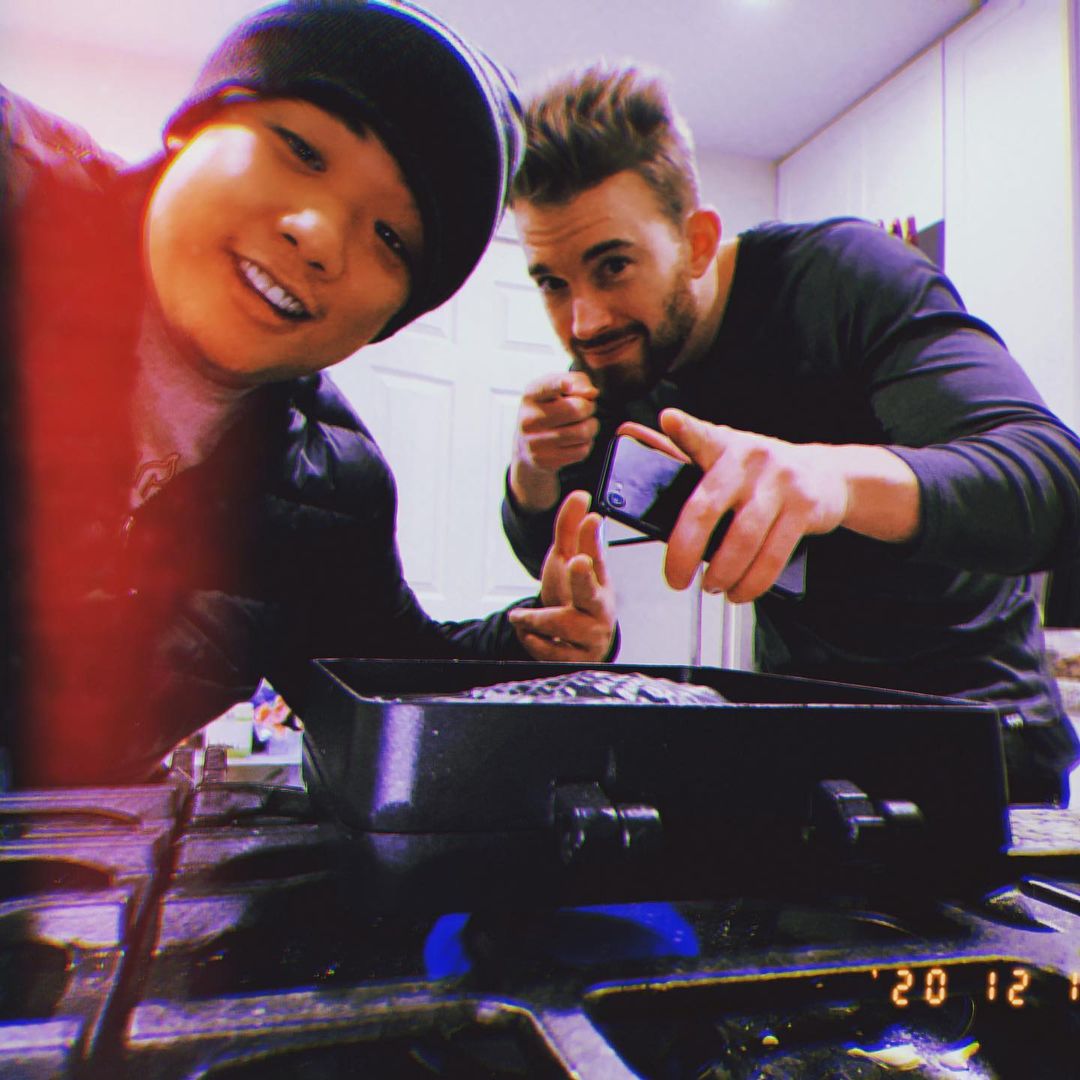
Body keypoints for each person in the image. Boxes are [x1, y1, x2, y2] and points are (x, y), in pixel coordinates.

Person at [0, 1, 615, 788]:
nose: (319, 236)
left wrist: (530, 645)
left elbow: (389, 674)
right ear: (194, 125)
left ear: (390, 320)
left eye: (391, 238)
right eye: (301, 149)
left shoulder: (332, 492)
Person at [500, 63, 1080, 803]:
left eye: (613, 265)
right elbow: (553, 554)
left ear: (698, 242)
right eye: (553, 282)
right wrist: (533, 471)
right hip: (803, 731)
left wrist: (832, 482)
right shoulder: (621, 360)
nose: (584, 322)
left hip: (977, 737)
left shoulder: (844, 276)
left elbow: (1055, 485)